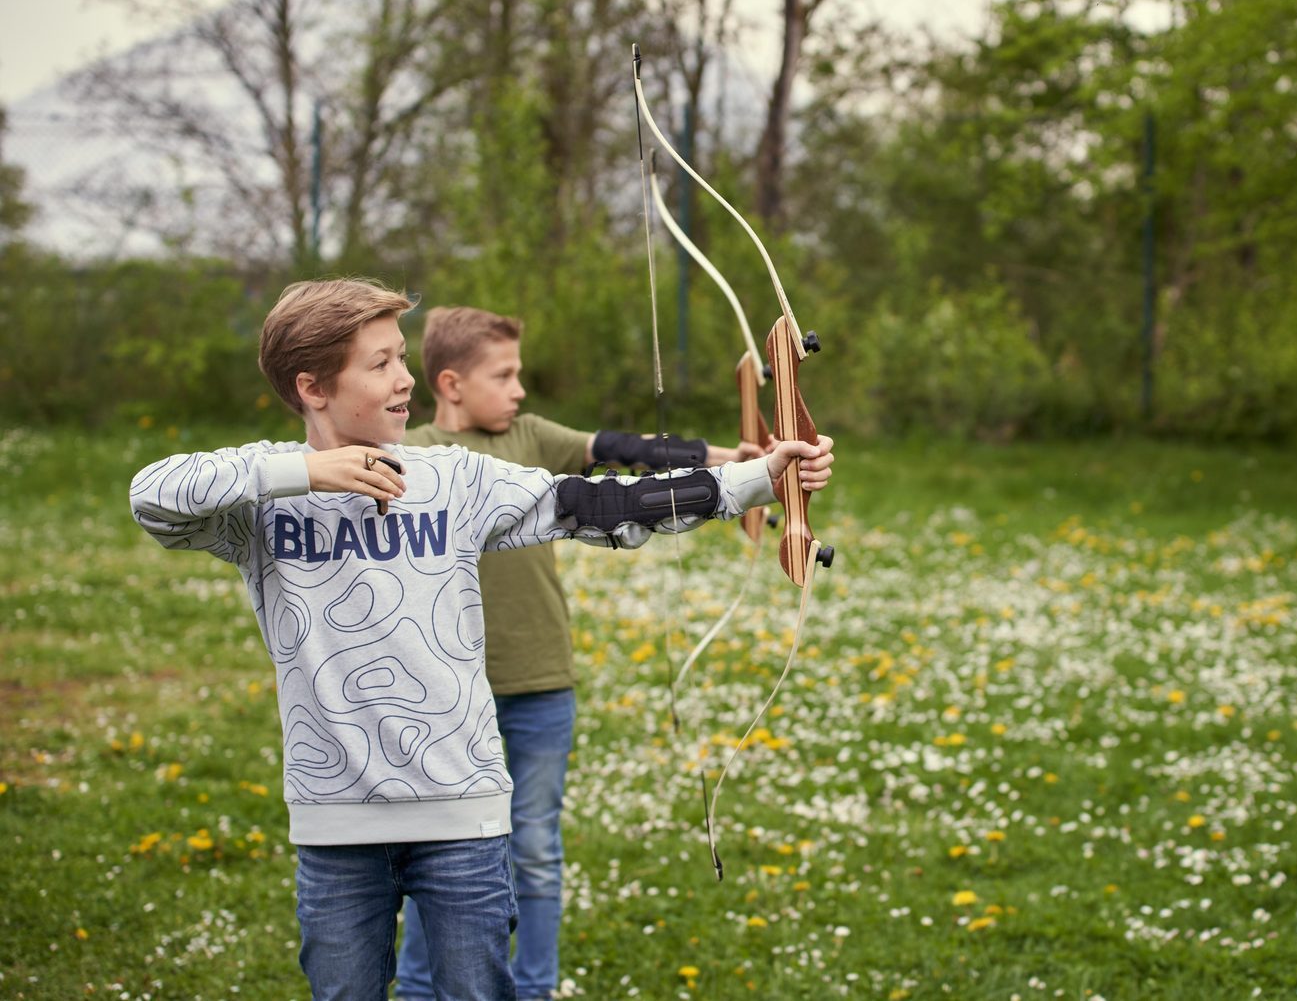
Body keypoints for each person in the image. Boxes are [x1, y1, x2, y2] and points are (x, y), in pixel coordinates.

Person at [127, 279, 834, 1000]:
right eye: (379, 365)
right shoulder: (262, 504)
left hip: (462, 815)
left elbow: (594, 504)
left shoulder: (451, 477)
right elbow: (152, 495)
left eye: (402, 357)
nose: (405, 378)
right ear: (312, 385)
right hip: (335, 825)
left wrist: (753, 480)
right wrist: (305, 472)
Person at [394, 306, 759, 1001]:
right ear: (450, 383)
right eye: (503, 375)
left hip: (539, 684)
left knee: (533, 851)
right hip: (447, 693)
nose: (519, 388)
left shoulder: (530, 436)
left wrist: (734, 463)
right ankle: (419, 990)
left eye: (519, 373)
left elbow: (626, 450)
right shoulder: (413, 454)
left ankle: (532, 989)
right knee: (436, 855)